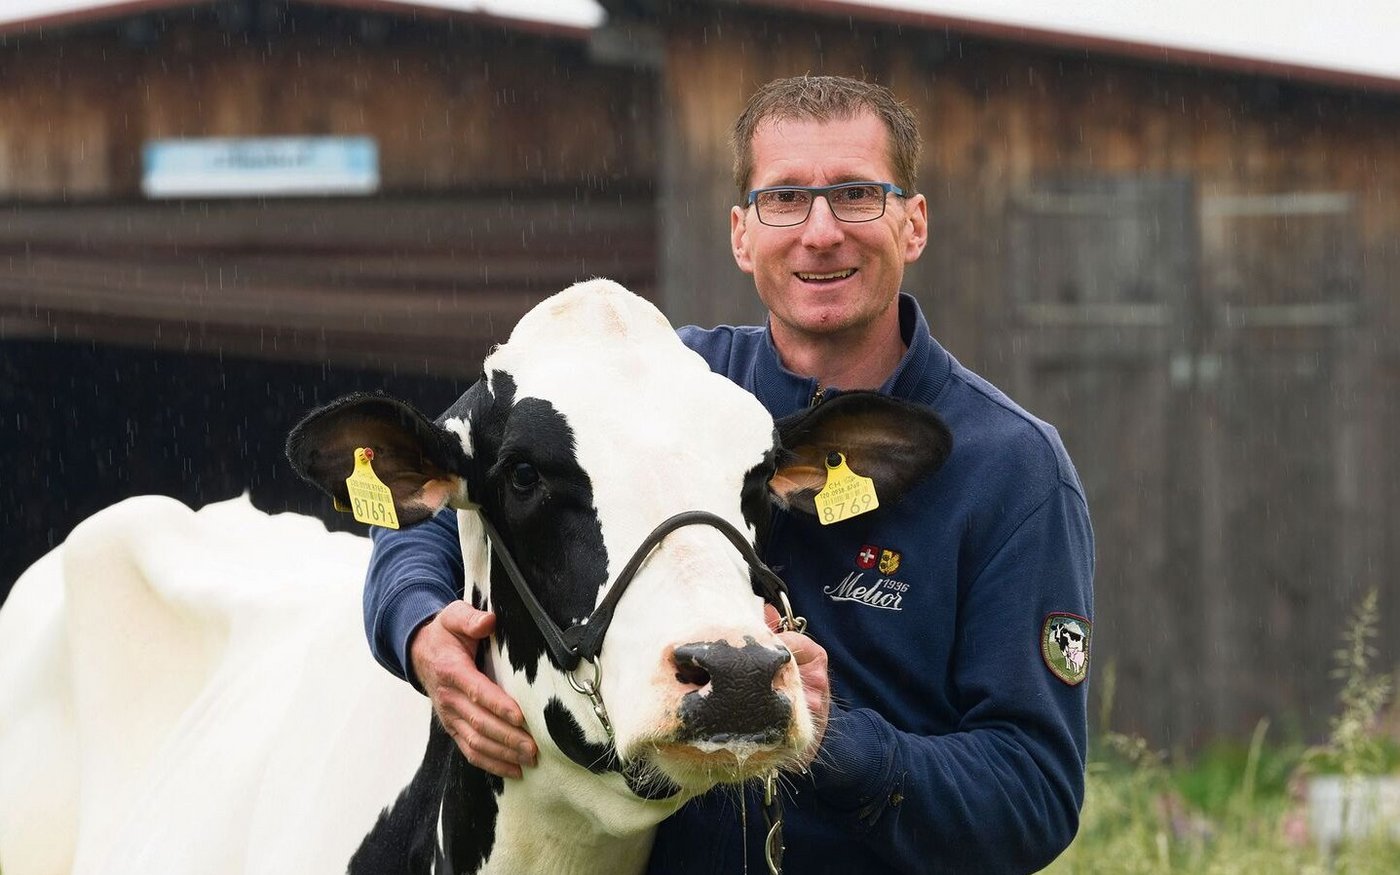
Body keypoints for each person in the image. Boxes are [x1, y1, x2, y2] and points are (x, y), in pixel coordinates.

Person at [363, 75, 1094, 874]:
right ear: (742, 234)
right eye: (783, 199)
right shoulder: (667, 384)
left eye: (855, 194)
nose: (820, 233)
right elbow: (455, 485)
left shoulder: (1010, 468)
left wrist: (830, 734)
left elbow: (1036, 794)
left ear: (913, 223)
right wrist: (418, 630)